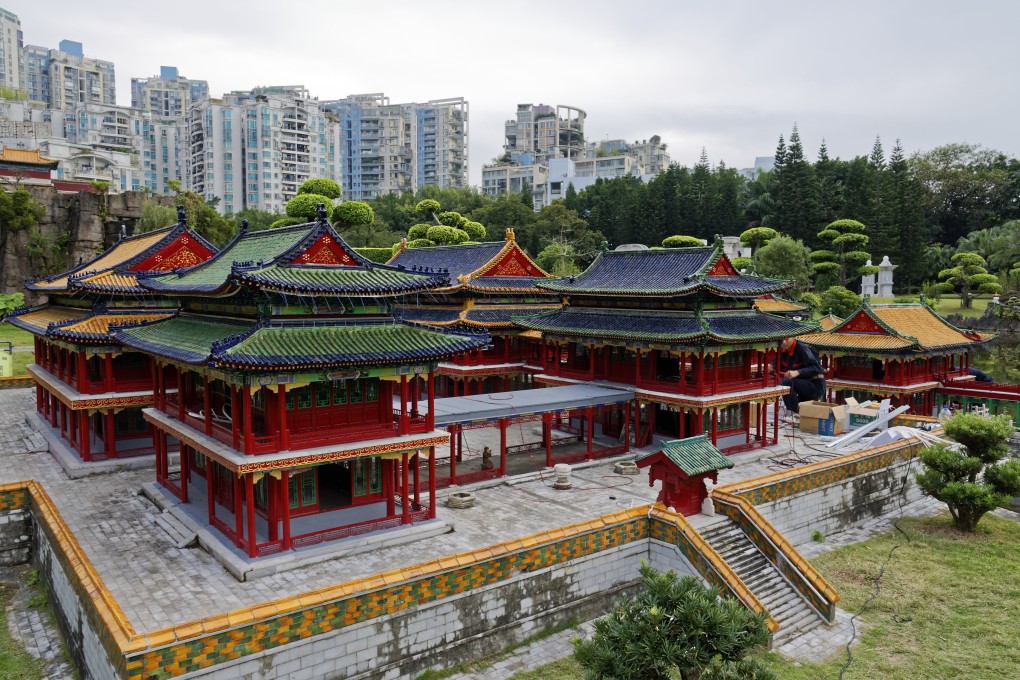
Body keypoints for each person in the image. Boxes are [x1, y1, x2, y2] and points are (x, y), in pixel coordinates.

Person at [776, 337, 825, 417]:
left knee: (787, 383)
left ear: (793, 338)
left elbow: (817, 368)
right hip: (801, 385)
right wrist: (770, 366)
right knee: (784, 383)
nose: (784, 341)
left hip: (815, 385)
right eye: (782, 339)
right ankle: (794, 412)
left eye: (787, 339)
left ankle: (792, 413)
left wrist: (798, 372)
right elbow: (776, 364)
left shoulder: (803, 349)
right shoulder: (782, 351)